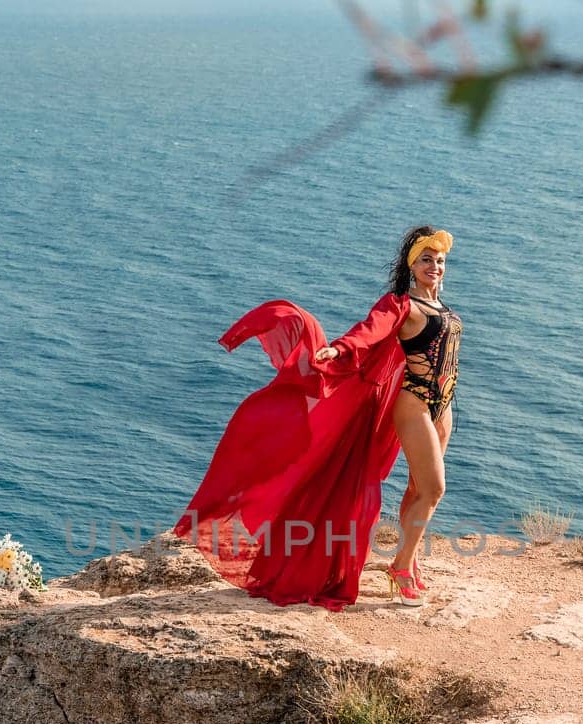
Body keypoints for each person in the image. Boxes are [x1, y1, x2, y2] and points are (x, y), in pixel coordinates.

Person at [174, 226, 460, 611]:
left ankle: (409, 559)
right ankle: (401, 570)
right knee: (434, 489)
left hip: (444, 407)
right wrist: (339, 349)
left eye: (439, 261)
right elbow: (369, 332)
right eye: (426, 259)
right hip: (415, 405)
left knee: (417, 490)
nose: (434, 266)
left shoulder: (442, 308)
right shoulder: (401, 306)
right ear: (412, 265)